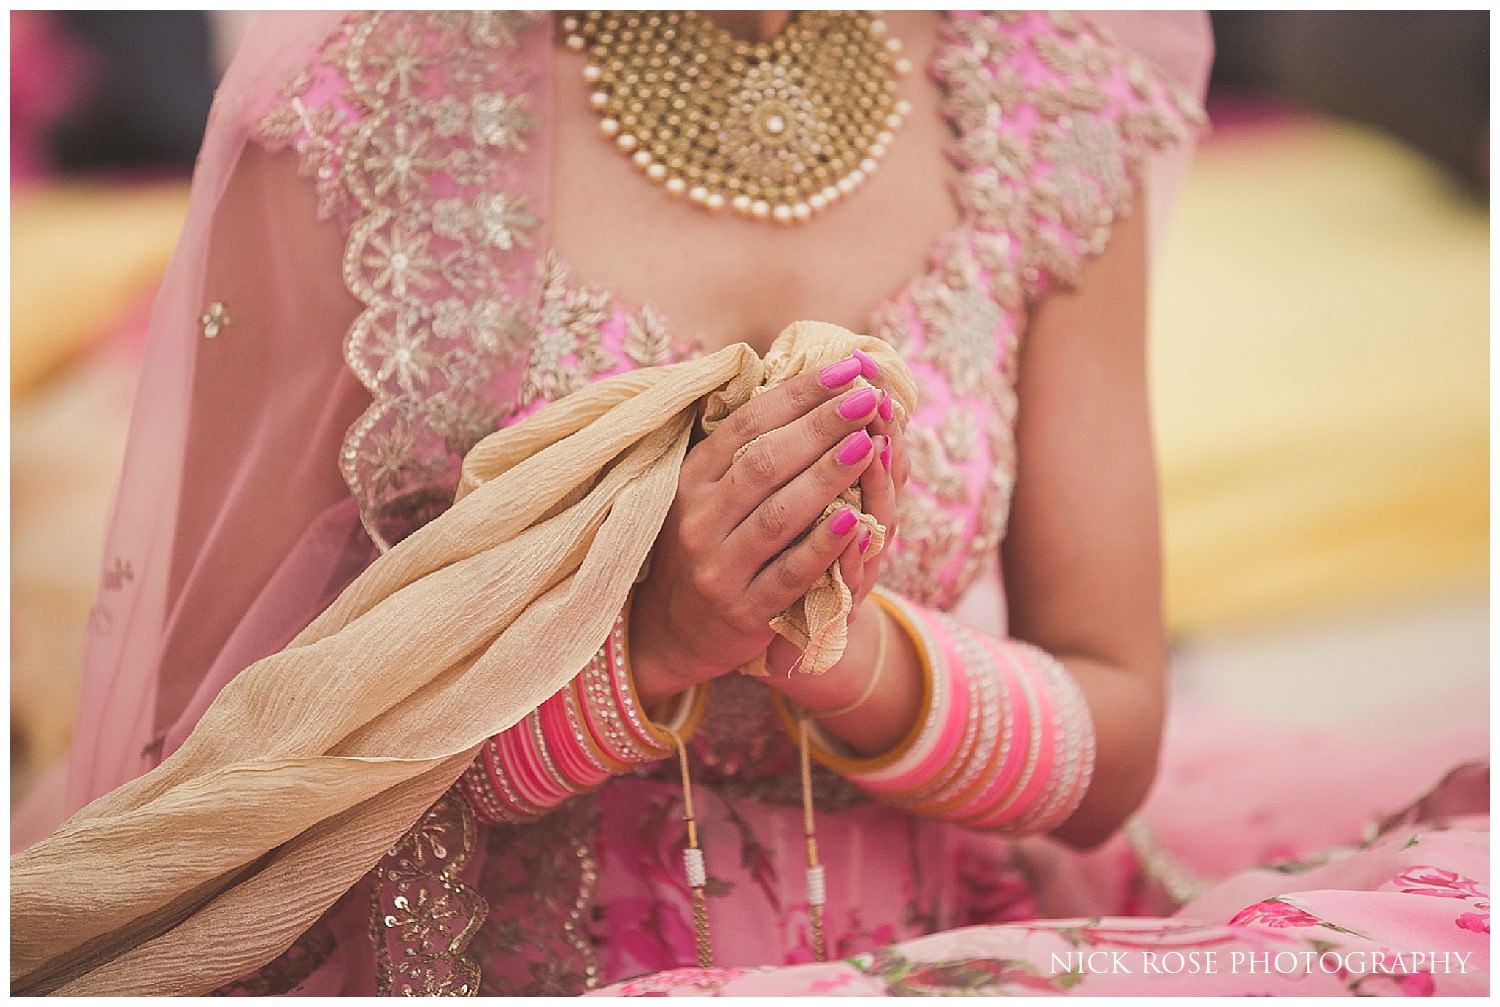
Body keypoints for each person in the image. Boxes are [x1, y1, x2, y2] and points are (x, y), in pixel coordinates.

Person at [15, 11, 1486, 998]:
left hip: (970, 930)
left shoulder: (1049, 88)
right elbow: (238, 777)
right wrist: (639, 645)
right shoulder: (365, 117)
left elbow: (1115, 724)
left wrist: (847, 657)